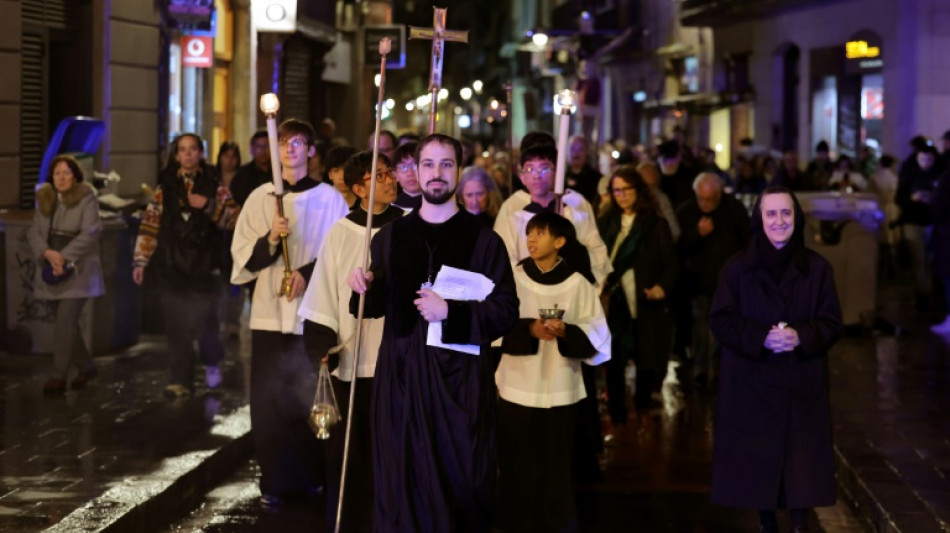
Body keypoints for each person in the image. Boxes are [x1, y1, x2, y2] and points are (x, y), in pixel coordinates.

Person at [348, 133, 519, 531]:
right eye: (428, 164)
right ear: (415, 171)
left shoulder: (485, 241)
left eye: (446, 165)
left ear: (458, 171)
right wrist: (363, 287)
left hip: (458, 385)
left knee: (461, 483)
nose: (436, 174)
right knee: (400, 482)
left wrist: (451, 312)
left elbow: (506, 311)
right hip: (400, 382)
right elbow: (372, 307)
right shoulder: (390, 236)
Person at [709, 186, 842, 533]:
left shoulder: (818, 269)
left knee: (801, 466)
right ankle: (766, 523)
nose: (779, 221)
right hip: (753, 382)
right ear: (759, 219)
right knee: (759, 465)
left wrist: (802, 335)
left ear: (796, 218)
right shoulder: (736, 269)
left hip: (801, 384)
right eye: (771, 214)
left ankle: (799, 525)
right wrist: (760, 337)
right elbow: (721, 320)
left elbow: (832, 322)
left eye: (786, 213)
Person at [231, 119, 349, 509]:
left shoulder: (331, 199)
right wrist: (269, 239)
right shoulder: (259, 197)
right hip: (268, 315)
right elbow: (241, 259)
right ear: (275, 149)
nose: (291, 149)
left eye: (299, 142)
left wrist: (306, 274)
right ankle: (276, 481)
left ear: (311, 150)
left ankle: (313, 476)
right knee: (269, 401)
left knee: (308, 398)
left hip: (311, 316)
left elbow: (341, 253)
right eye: (283, 142)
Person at [300, 150, 404, 532]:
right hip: (355, 361)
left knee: (396, 454)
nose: (391, 179)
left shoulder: (409, 226)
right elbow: (323, 292)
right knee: (352, 456)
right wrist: (321, 345)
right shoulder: (342, 233)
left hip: (400, 361)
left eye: (391, 172)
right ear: (358, 187)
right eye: (380, 175)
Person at [495, 211, 610, 533]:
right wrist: (528, 330)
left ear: (559, 242)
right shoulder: (513, 279)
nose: (530, 239)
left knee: (556, 468)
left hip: (561, 388)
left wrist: (567, 332)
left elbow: (600, 338)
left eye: (540, 233)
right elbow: (493, 328)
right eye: (529, 233)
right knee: (517, 466)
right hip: (517, 386)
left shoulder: (578, 284)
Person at [133, 133, 235, 397]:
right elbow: (150, 224)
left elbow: (234, 219)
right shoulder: (164, 187)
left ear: (200, 153)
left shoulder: (216, 185)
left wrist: (209, 206)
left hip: (205, 266)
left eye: (193, 149)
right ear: (176, 155)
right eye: (182, 150)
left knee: (205, 324)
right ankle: (181, 380)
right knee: (176, 325)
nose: (188, 154)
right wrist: (141, 261)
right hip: (172, 264)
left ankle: (212, 363)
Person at [598, 165, 677, 422]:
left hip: (644, 300)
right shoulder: (606, 222)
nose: (621, 195)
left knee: (645, 357)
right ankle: (617, 412)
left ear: (638, 190)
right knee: (615, 358)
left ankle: (643, 411)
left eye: (626, 189)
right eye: (616, 190)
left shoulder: (655, 224)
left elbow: (671, 263)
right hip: (614, 299)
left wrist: (661, 288)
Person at [28, 155, 104, 394]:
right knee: (65, 325)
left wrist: (64, 257)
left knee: (65, 321)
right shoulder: (46, 199)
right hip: (53, 267)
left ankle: (58, 376)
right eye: (57, 173)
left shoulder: (86, 198)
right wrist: (48, 253)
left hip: (77, 271)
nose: (61, 178)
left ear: (76, 176)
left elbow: (90, 231)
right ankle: (86, 366)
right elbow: (34, 233)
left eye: (66, 173)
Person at [494, 144, 611, 287]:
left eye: (544, 168)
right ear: (522, 177)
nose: (537, 175)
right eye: (530, 169)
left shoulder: (572, 213)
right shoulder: (513, 221)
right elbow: (505, 261)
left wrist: (594, 285)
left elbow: (596, 249)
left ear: (557, 174)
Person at [675, 173, 750, 386]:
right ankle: (700, 369)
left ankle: (718, 370)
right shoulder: (688, 211)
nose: (705, 204)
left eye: (709, 199)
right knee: (700, 326)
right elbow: (679, 248)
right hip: (698, 281)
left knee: (723, 327)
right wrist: (697, 234)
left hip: (728, 282)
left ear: (718, 196)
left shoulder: (733, 209)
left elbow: (746, 240)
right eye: (701, 199)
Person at [216, 141, 244, 337]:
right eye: (226, 155)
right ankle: (220, 318)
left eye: (233, 156)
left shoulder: (242, 178)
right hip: (217, 235)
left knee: (235, 281)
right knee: (220, 279)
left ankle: (232, 319)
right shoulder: (212, 178)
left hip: (237, 234)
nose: (229, 160)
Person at [230, 130, 271, 207]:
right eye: (259, 146)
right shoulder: (242, 174)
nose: (263, 150)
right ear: (252, 149)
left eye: (266, 146)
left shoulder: (281, 172)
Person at [565, 136, 602, 209]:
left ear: (586, 152)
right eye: (573, 149)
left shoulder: (596, 178)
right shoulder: (560, 177)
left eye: (580, 149)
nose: (576, 152)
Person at [325, 144, 359, 209]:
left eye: (347, 170)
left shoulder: (366, 205)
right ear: (330, 174)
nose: (342, 177)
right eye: (336, 171)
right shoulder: (320, 203)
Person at [391, 142, 422, 211]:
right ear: (395, 175)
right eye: (403, 167)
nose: (410, 173)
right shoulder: (390, 208)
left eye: (415, 166)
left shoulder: (437, 205)